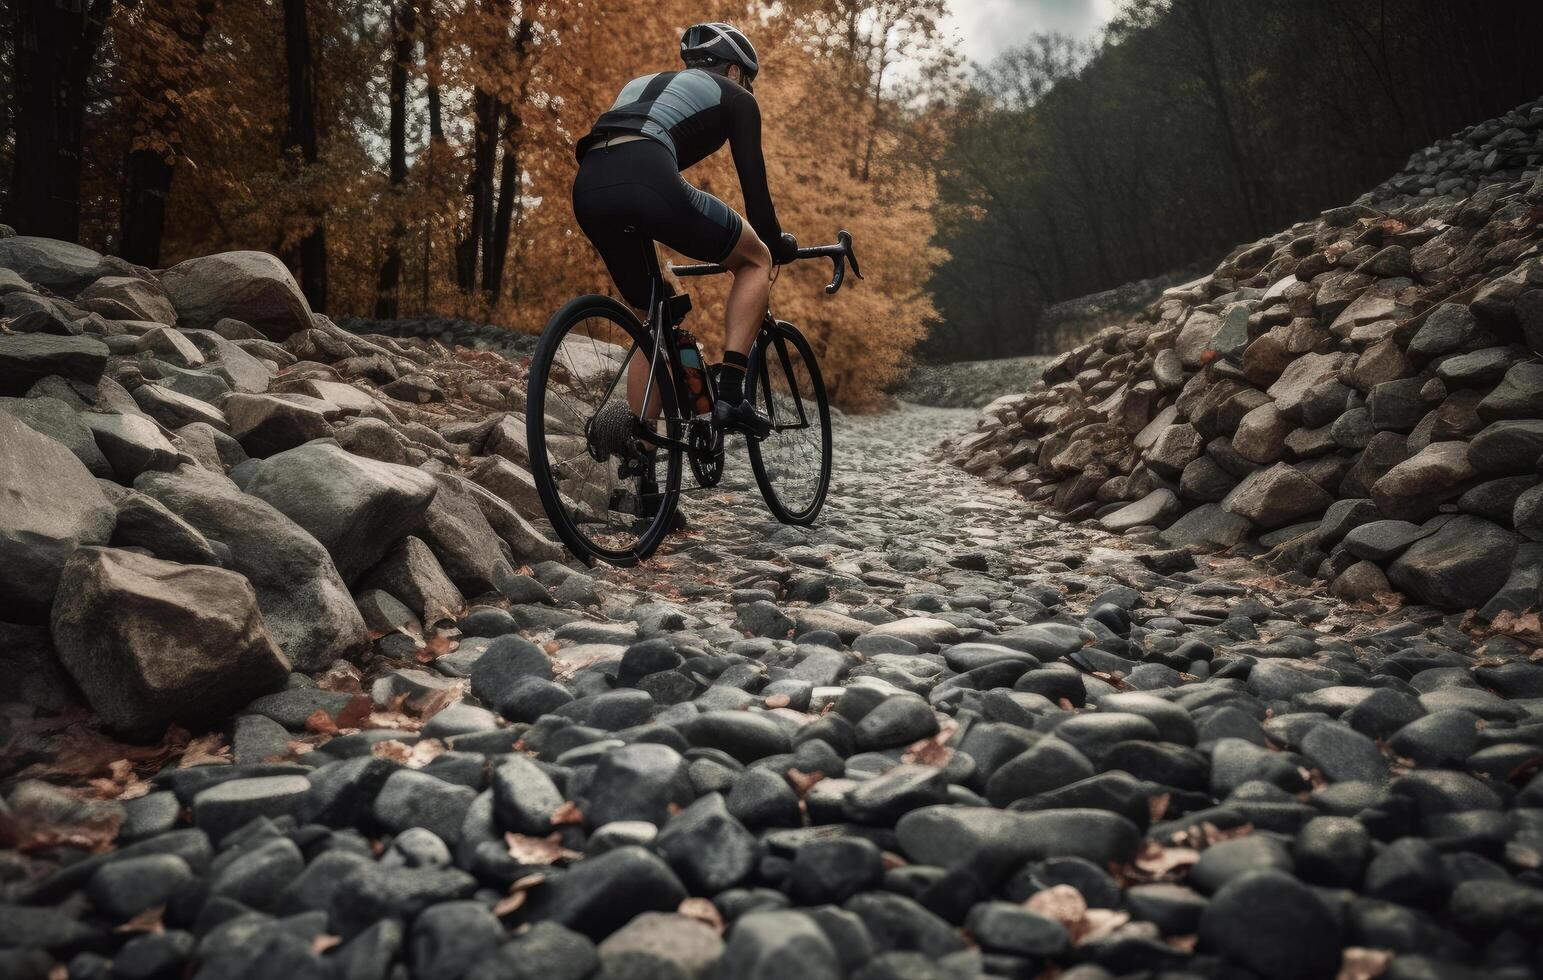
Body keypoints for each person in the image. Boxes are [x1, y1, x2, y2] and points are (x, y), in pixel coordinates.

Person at [571, 22, 797, 443]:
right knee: (756, 259)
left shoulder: (641, 84)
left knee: (652, 318)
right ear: (735, 73)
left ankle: (645, 471)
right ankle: (731, 394)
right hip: (647, 176)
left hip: (588, 185)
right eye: (749, 80)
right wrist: (778, 241)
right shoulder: (738, 98)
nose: (749, 89)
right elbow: (758, 204)